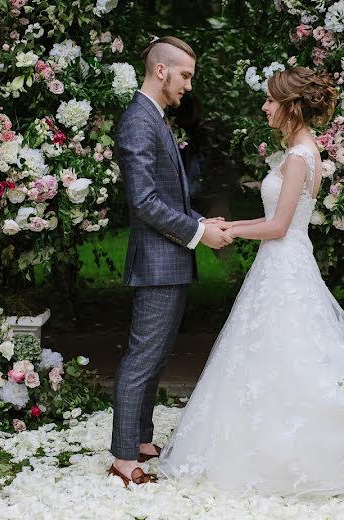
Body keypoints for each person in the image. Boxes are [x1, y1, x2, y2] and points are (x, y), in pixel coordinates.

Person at [158, 67, 344, 496]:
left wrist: (227, 234)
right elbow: (276, 218)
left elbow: (280, 226)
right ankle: (270, 436)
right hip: (281, 264)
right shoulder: (298, 151)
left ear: (290, 106)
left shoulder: (300, 157)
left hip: (284, 264)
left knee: (292, 354)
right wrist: (223, 223)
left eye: (270, 100)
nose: (264, 106)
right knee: (279, 353)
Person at [109, 36, 232, 487]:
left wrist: (201, 219)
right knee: (143, 356)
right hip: (159, 261)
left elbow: (168, 196)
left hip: (170, 257)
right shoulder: (138, 122)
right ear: (161, 71)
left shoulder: (155, 118)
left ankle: (140, 438)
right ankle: (124, 457)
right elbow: (143, 200)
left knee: (156, 354)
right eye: (185, 76)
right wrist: (199, 234)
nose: (188, 85)